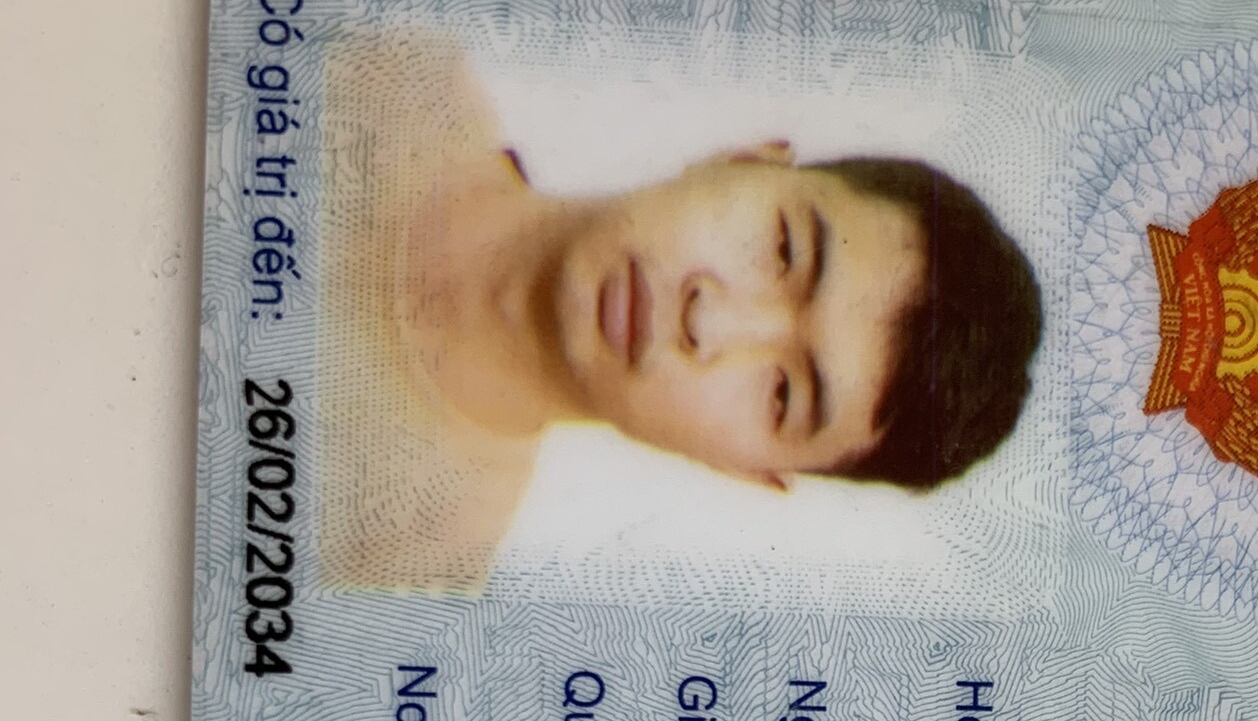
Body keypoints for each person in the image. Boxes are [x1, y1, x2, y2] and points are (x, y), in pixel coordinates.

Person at [316, 35, 1044, 591]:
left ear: (745, 468)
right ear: (747, 159)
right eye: (784, 248)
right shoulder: (372, 58)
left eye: (782, 394)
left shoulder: (400, 573)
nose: (709, 323)